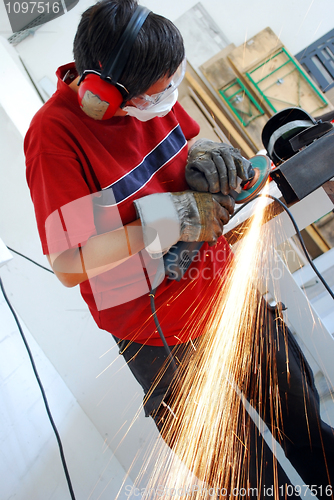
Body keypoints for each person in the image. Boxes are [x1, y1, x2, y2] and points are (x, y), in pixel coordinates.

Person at [25, 0, 333, 495]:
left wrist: (205, 154)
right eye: (157, 92)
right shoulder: (55, 138)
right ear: (103, 95)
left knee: (305, 427)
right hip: (161, 343)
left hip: (228, 298)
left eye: (172, 83)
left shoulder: (150, 85)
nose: (168, 96)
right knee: (248, 479)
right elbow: (68, 263)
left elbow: (183, 143)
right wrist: (174, 217)